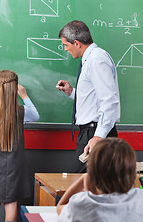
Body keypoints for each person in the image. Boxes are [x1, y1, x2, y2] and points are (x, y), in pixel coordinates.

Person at [56, 138, 143, 222]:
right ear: (131, 174)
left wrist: (83, 179)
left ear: (91, 177)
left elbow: (60, 207)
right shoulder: (142, 200)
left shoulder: (81, 204)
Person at [56, 20, 120, 172]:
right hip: (93, 131)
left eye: (66, 45)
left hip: (96, 132)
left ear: (77, 43)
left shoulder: (96, 59)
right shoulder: (91, 59)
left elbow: (109, 100)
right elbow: (95, 98)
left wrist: (98, 137)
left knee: (75, 185)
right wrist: (72, 92)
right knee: (99, 187)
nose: (66, 49)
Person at [0, 70, 40, 222]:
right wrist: (24, 95)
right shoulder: (21, 112)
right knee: (11, 202)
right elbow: (36, 116)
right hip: (14, 165)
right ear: (15, 88)